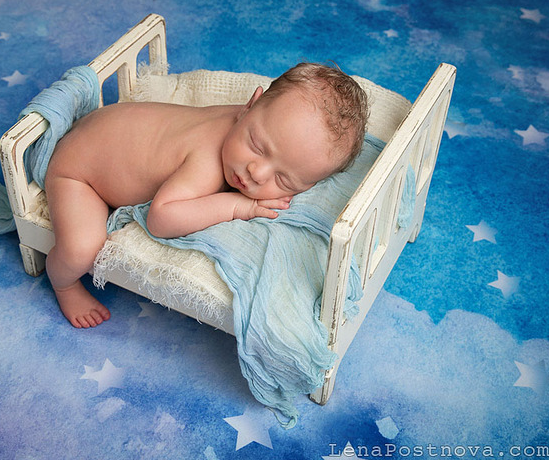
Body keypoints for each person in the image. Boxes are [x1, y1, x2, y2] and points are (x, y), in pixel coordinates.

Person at [43, 62, 369, 328]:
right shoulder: (207, 160)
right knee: (81, 248)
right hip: (80, 172)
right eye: (256, 145)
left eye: (283, 178)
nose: (256, 172)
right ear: (250, 106)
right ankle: (64, 283)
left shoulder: (256, 123)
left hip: (107, 128)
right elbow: (161, 218)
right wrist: (237, 206)